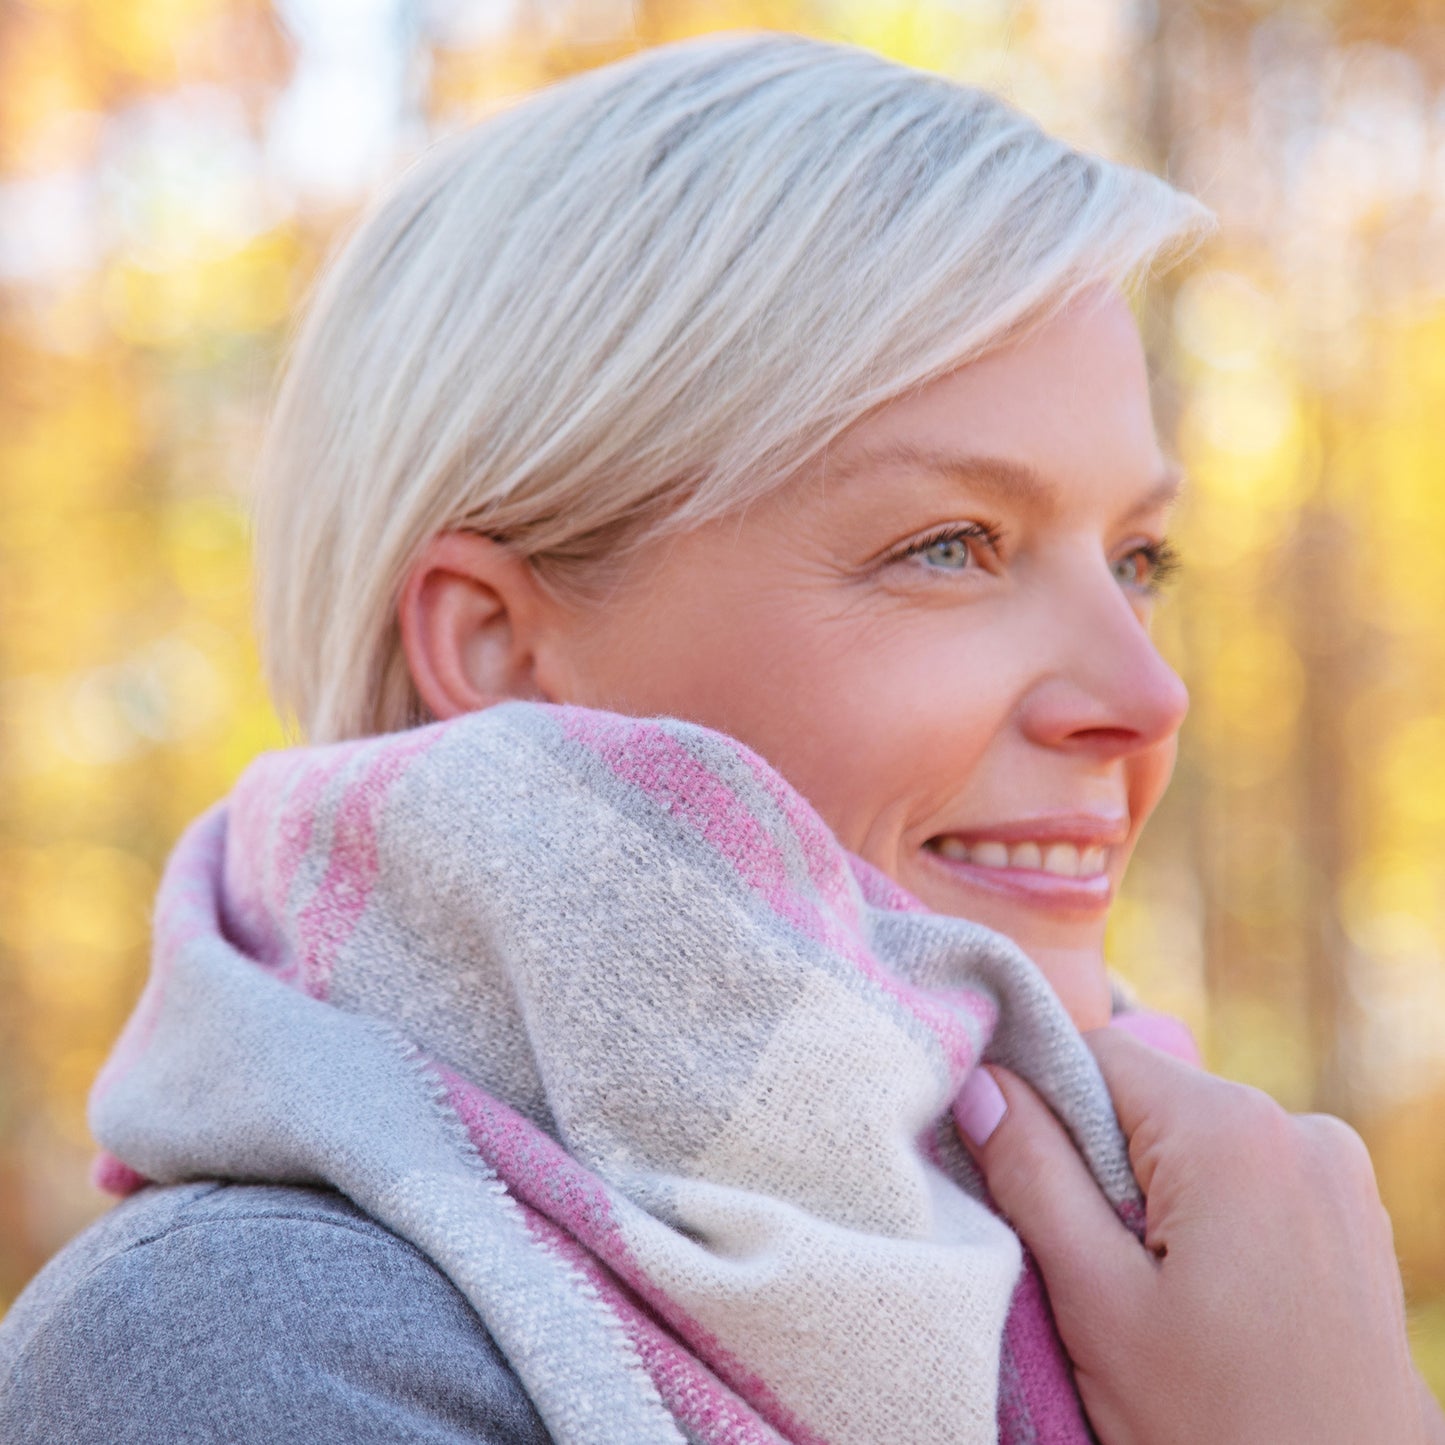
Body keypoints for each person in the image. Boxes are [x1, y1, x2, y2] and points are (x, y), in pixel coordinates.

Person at [1, 31, 1440, 1445]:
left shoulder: (1196, 1277)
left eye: (1136, 558)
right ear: (496, 651)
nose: (1144, 694)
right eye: (950, 545)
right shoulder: (238, 1345)